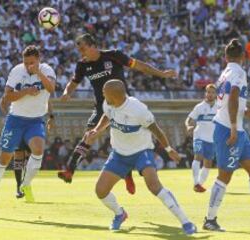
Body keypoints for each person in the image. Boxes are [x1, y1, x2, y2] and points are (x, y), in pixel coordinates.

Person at [58, 33, 177, 195]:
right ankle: (70, 170)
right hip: (102, 107)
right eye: (79, 50)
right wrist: (67, 93)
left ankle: (127, 175)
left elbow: (140, 66)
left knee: (122, 141)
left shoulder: (113, 56)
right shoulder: (82, 65)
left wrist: (162, 74)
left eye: (83, 49)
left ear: (93, 46)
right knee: (89, 135)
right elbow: (73, 82)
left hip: (123, 106)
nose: (81, 53)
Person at [85, 80, 196, 234]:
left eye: (105, 92)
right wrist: (97, 130)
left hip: (141, 152)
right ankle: (120, 214)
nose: (102, 95)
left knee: (154, 186)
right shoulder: (108, 103)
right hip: (119, 154)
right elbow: (107, 115)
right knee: (100, 191)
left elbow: (157, 131)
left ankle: (186, 222)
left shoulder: (138, 110)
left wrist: (169, 149)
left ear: (114, 95)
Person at [202, 39, 250, 235]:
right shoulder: (238, 72)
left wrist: (244, 110)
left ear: (225, 56)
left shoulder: (225, 73)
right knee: (225, 176)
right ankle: (210, 219)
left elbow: (232, 99)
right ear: (243, 57)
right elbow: (233, 97)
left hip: (237, 128)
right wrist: (232, 126)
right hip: (229, 129)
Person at [0, 45, 56, 215]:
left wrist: (38, 73)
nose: (28, 66)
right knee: (4, 158)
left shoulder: (47, 70)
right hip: (15, 120)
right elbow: (7, 96)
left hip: (36, 120)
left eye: (32, 63)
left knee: (38, 150)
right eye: (26, 63)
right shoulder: (17, 71)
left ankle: (26, 184)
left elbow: (51, 89)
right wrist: (25, 91)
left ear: (38, 60)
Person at [0, 96, 55, 198]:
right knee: (18, 154)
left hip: (34, 124)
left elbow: (47, 100)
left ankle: (26, 185)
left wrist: (51, 117)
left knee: (32, 155)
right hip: (18, 124)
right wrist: (9, 116)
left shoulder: (39, 86)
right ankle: (19, 187)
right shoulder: (17, 84)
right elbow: (3, 100)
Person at [185, 84, 217, 192]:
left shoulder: (220, 107)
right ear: (205, 93)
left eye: (212, 92)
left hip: (212, 139)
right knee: (198, 156)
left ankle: (199, 184)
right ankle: (195, 182)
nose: (210, 94)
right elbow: (189, 119)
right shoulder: (199, 107)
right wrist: (188, 126)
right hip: (199, 136)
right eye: (208, 92)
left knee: (208, 163)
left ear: (216, 94)